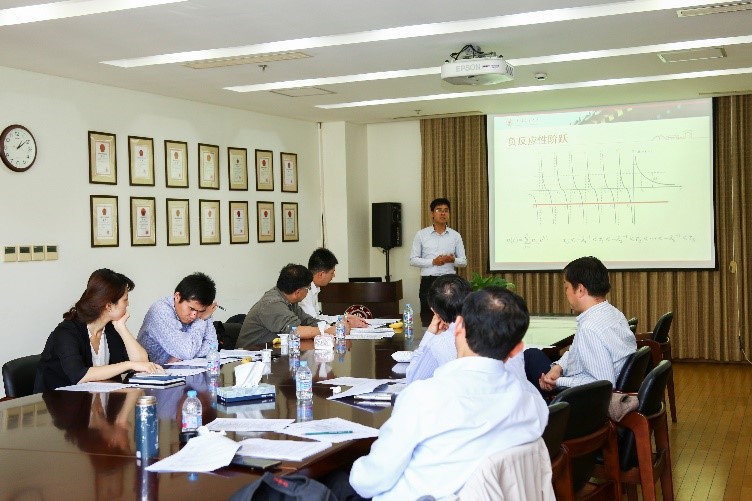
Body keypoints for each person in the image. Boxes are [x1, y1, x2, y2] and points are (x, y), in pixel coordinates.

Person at [340, 287, 549, 501]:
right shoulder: (533, 402)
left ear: (458, 327)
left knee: (335, 482)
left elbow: (368, 481)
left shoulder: (425, 397)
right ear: (517, 348)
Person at [34, 269, 162, 392]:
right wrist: (129, 364)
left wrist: (122, 328)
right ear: (109, 306)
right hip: (54, 402)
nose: (127, 304)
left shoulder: (110, 329)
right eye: (125, 299)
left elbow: (142, 364)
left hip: (91, 400)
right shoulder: (66, 333)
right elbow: (79, 375)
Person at [538, 256, 637, 392]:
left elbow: (605, 384)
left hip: (584, 397)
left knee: (530, 359)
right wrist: (558, 367)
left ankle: (547, 405)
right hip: (585, 380)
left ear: (580, 290)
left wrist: (558, 381)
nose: (566, 293)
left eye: (566, 287)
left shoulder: (589, 328)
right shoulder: (614, 313)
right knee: (533, 355)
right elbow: (575, 352)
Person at [237, 264, 346, 348]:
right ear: (298, 292)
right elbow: (295, 330)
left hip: (274, 353)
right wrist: (326, 331)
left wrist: (332, 326)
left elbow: (307, 320)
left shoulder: (288, 299)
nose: (308, 291)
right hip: (251, 358)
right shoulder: (272, 304)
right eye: (308, 288)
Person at [137, 272, 218, 365]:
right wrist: (200, 321)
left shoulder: (204, 312)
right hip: (151, 371)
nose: (194, 315)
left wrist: (183, 355)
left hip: (179, 369)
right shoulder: (161, 310)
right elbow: (187, 352)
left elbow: (212, 346)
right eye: (191, 309)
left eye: (200, 311)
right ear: (177, 297)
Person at [409, 197, 467, 326]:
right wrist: (433, 262)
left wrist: (453, 259)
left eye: (446, 210)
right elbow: (413, 260)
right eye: (439, 210)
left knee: (451, 317)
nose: (443, 213)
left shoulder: (455, 235)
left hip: (449, 281)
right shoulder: (421, 235)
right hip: (428, 281)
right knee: (427, 317)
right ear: (432, 214)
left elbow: (463, 261)